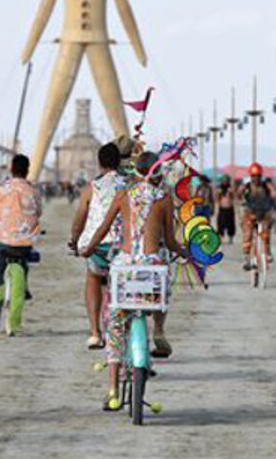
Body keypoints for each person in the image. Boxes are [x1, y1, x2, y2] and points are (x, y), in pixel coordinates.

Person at [79, 151, 186, 410]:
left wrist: (89, 248)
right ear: (158, 174)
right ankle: (159, 329)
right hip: (151, 268)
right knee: (163, 287)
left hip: (125, 266)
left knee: (116, 325)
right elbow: (170, 241)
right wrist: (185, 253)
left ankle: (113, 388)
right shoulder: (164, 198)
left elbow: (103, 228)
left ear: (135, 171)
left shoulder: (123, 195)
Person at [69, 143, 126, 350]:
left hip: (99, 247)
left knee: (93, 277)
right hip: (125, 247)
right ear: (119, 162)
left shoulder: (92, 187)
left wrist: (75, 241)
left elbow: (80, 219)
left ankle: (95, 333)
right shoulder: (128, 185)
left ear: (99, 163)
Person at [0, 154, 42, 319]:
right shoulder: (33, 191)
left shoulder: (1, 190)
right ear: (27, 171)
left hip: (2, 240)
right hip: (25, 241)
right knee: (24, 261)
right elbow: (38, 213)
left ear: (11, 169)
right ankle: (23, 286)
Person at [240, 162, 276, 270]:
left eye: (258, 176)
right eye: (253, 176)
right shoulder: (247, 186)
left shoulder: (266, 185)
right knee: (248, 234)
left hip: (264, 213)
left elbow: (274, 193)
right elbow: (239, 194)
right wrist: (240, 192)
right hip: (250, 213)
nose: (256, 179)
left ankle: (267, 253)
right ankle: (247, 257)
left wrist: (274, 195)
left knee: (265, 234)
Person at [216, 176, 237, 244]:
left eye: (226, 180)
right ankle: (221, 237)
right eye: (223, 180)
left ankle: (230, 238)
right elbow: (217, 198)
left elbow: (234, 197)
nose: (225, 182)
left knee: (230, 224)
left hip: (229, 209)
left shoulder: (230, 189)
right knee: (221, 224)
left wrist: (231, 192)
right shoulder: (220, 189)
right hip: (222, 209)